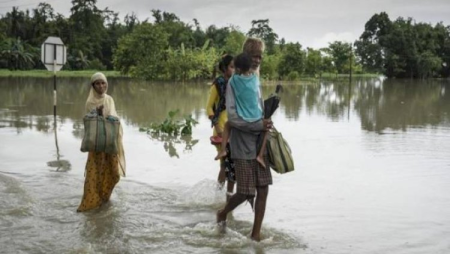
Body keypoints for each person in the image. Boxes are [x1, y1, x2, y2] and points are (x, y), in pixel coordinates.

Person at [216, 38, 273, 242]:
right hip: (241, 143)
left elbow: (257, 106)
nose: (258, 60)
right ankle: (223, 213)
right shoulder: (233, 83)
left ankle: (255, 235)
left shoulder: (255, 79)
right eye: (254, 56)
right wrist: (258, 125)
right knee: (245, 191)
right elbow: (232, 117)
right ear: (246, 57)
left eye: (260, 57)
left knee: (263, 188)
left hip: (259, 141)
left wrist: (266, 119)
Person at [77, 72, 126, 212]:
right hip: (97, 145)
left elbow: (114, 118)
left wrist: (111, 119)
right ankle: (91, 202)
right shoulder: (90, 102)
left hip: (110, 143)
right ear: (93, 86)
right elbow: (88, 122)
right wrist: (97, 113)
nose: (101, 86)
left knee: (113, 173)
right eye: (97, 83)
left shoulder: (109, 99)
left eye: (103, 83)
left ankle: (104, 199)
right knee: (95, 174)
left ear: (107, 84)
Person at [215, 52, 268, 169]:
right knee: (267, 128)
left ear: (237, 68)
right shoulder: (255, 80)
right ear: (250, 66)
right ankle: (260, 155)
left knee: (228, 125)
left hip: (242, 117)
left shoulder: (233, 81)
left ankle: (223, 150)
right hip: (257, 117)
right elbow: (259, 99)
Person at [206, 54, 235, 197]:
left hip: (234, 128)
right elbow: (208, 108)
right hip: (221, 128)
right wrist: (217, 127)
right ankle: (218, 196)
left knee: (232, 165)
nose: (234, 70)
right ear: (224, 68)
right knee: (224, 165)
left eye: (236, 67)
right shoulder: (218, 84)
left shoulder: (236, 84)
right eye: (231, 67)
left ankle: (227, 197)